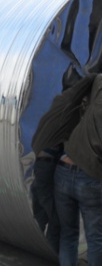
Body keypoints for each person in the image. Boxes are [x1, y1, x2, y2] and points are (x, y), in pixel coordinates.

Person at [54, 76, 102, 266]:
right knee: (96, 239)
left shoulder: (94, 86)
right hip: (89, 178)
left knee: (68, 235)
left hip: (63, 171)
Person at [31, 145, 62, 254]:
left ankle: (37, 249)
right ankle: (50, 252)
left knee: (41, 214)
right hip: (48, 166)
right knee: (56, 219)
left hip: (41, 167)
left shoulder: (46, 132)